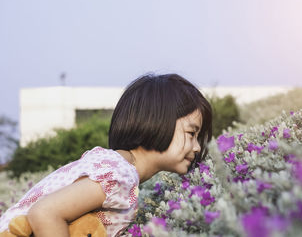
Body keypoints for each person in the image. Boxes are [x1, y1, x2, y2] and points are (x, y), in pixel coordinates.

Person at [0, 73, 212, 237]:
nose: (195, 147)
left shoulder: (116, 167)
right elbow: (44, 213)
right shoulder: (119, 174)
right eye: (192, 133)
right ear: (157, 122)